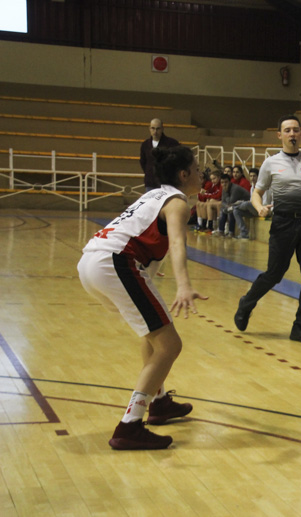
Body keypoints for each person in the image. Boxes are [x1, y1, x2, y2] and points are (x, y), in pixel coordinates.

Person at [77, 145, 205, 450]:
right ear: (184, 174)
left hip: (91, 262)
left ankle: (158, 403)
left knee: (154, 336)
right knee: (170, 343)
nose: (202, 173)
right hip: (115, 263)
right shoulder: (177, 203)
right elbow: (176, 243)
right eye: (197, 169)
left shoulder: (153, 195)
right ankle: (129, 425)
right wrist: (183, 285)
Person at [234, 115, 301, 344]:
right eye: (287, 130)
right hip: (282, 223)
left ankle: (300, 328)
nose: (292, 134)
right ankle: (247, 303)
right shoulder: (271, 163)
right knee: (275, 274)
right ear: (280, 135)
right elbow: (257, 192)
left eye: (296, 130)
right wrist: (259, 207)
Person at [139, 118, 180, 192]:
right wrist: (150, 171)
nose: (155, 131)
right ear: (149, 129)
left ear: (162, 129)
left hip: (167, 182)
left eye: (158, 129)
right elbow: (143, 162)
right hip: (150, 181)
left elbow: (177, 161)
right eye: (153, 128)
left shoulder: (172, 143)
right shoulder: (145, 145)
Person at [232, 169, 261, 240]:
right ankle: (244, 233)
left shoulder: (262, 187)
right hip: (254, 209)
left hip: (261, 210)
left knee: (246, 204)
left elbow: (265, 202)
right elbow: (252, 200)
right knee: (236, 211)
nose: (252, 178)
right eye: (250, 176)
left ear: (258, 177)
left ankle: (234, 206)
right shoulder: (252, 188)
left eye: (254, 176)